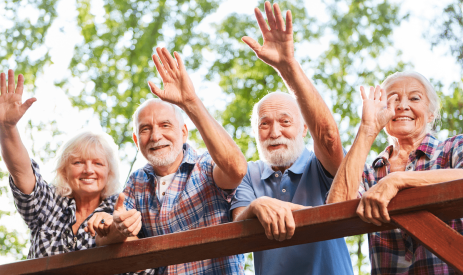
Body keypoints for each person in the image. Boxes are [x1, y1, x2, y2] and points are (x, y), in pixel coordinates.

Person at [93, 47, 247, 274]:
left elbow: (237, 169)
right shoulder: (137, 182)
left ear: (184, 132)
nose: (156, 136)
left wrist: (190, 101)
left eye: (165, 125)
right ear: (136, 140)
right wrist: (118, 227)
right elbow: (103, 239)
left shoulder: (205, 165)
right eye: (146, 129)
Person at [0, 70, 154, 274]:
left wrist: (120, 232)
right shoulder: (49, 204)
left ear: (109, 172)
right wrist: (6, 127)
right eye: (78, 162)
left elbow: (143, 269)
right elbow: (21, 172)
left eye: (98, 164)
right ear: (64, 170)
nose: (89, 170)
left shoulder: (120, 209)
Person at [229, 2, 353, 275]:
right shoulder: (249, 174)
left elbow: (329, 137)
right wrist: (257, 205)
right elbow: (237, 225)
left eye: (285, 122)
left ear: (305, 129)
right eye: (264, 124)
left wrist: (287, 67)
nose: (274, 132)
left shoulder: (318, 165)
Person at [327, 71, 463, 274]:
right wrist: (368, 127)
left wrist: (398, 180)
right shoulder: (369, 173)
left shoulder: (452, 148)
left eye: (414, 98)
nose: (402, 106)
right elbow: (335, 210)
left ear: (431, 113)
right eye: (392, 100)